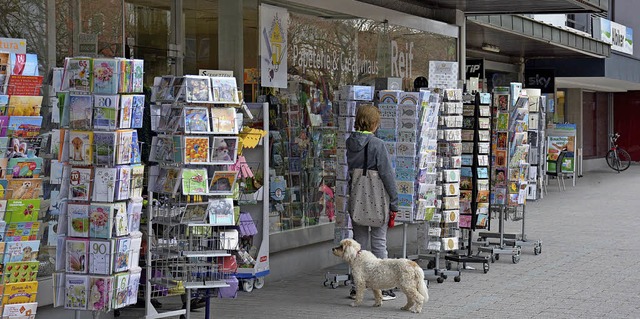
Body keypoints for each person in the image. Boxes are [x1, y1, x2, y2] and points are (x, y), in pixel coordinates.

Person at [346, 104, 399, 301]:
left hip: (358, 198)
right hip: (376, 199)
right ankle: (382, 287)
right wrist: (394, 202)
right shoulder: (377, 144)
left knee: (358, 245)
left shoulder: (350, 143)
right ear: (374, 123)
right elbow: (386, 175)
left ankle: (356, 286)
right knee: (379, 243)